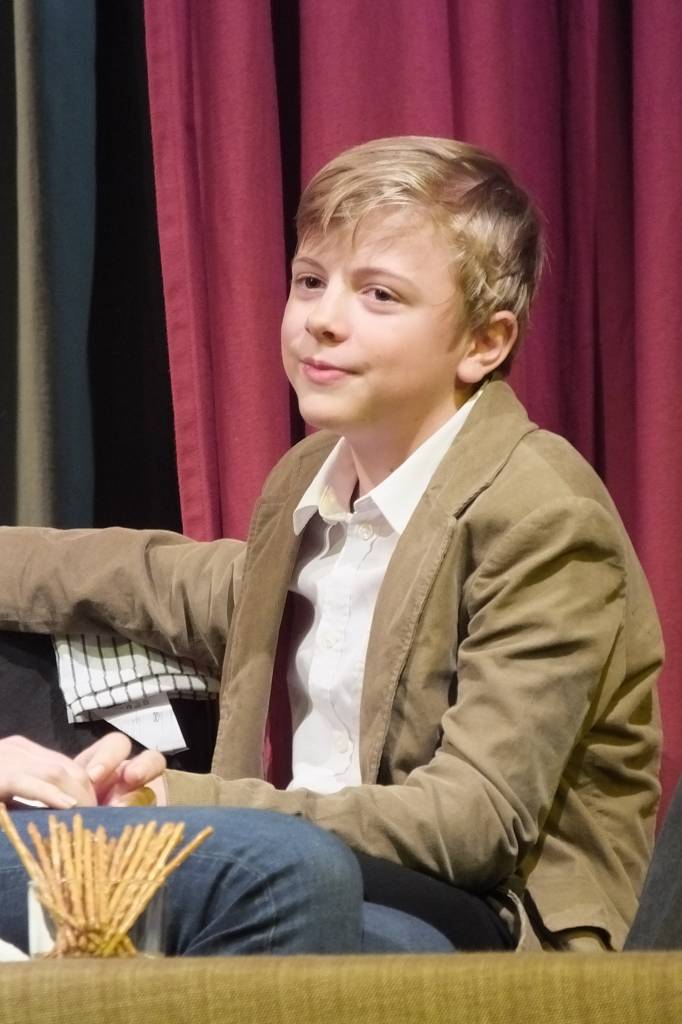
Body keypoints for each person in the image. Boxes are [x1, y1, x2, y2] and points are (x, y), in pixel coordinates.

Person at [0, 136, 663, 955]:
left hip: (484, 916)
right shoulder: (309, 479)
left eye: (378, 295)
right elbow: (158, 581)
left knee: (258, 882)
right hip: (297, 870)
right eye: (311, 281)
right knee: (66, 869)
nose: (322, 319)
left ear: (483, 343)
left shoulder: (542, 515)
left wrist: (176, 802)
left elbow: (472, 824)